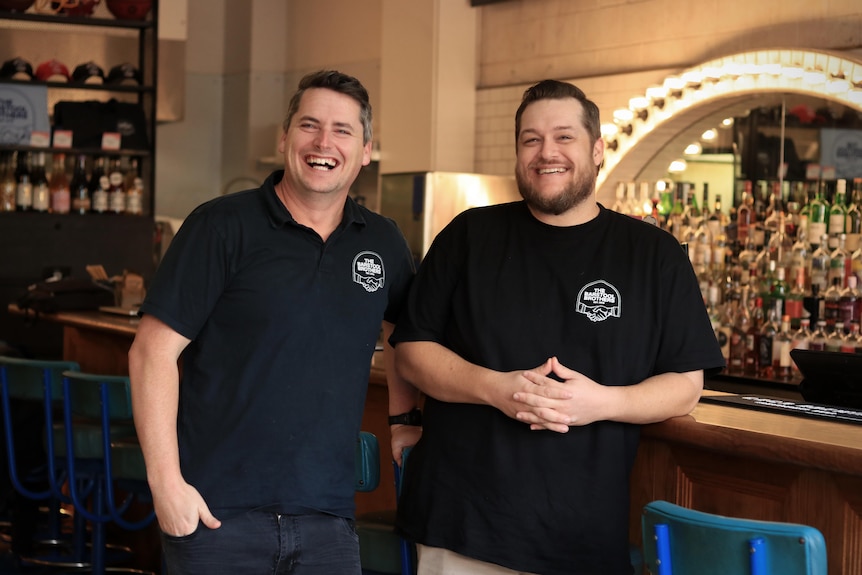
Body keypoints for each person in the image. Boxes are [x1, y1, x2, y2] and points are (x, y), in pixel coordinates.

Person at [389, 79, 725, 575]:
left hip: (583, 536)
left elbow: (685, 385)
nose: (547, 153)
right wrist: (497, 389)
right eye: (531, 139)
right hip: (461, 525)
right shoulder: (469, 234)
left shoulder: (653, 254)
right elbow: (412, 350)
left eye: (564, 137)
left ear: (597, 148)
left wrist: (600, 403)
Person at [128, 70, 415, 575]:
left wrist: (403, 422)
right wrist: (166, 484)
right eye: (309, 125)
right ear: (284, 138)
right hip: (217, 517)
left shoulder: (383, 242)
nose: (324, 142)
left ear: (366, 150)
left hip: (328, 518)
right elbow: (151, 352)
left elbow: (405, 339)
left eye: (343, 131)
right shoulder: (220, 226)